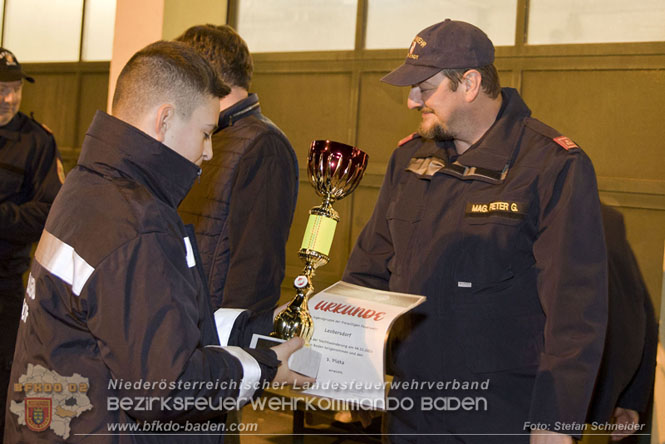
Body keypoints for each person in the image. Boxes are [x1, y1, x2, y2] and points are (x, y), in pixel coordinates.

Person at [4, 41, 309, 444]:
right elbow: (168, 389)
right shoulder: (136, 223)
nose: (208, 151)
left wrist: (258, 328)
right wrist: (264, 367)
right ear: (164, 119)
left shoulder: (89, 186)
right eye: (204, 133)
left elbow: (151, 321)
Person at [342, 19, 608, 443]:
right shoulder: (409, 160)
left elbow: (575, 312)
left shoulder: (551, 166)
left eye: (424, 89)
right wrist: (341, 360)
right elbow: (369, 270)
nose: (411, 102)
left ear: (469, 83)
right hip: (411, 410)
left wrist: (556, 423)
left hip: (501, 415)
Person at [177, 25, 299, 313]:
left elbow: (256, 270)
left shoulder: (263, 145)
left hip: (215, 332)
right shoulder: (209, 133)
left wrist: (233, 347)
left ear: (202, 72)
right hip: (185, 313)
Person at [0, 47, 63, 438]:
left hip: (6, 288)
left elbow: (47, 213)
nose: (7, 98)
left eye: (14, 88)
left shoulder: (37, 142)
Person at [585, 204, 658, 442]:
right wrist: (630, 397)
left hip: (542, 394)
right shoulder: (607, 217)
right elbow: (639, 307)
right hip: (598, 392)